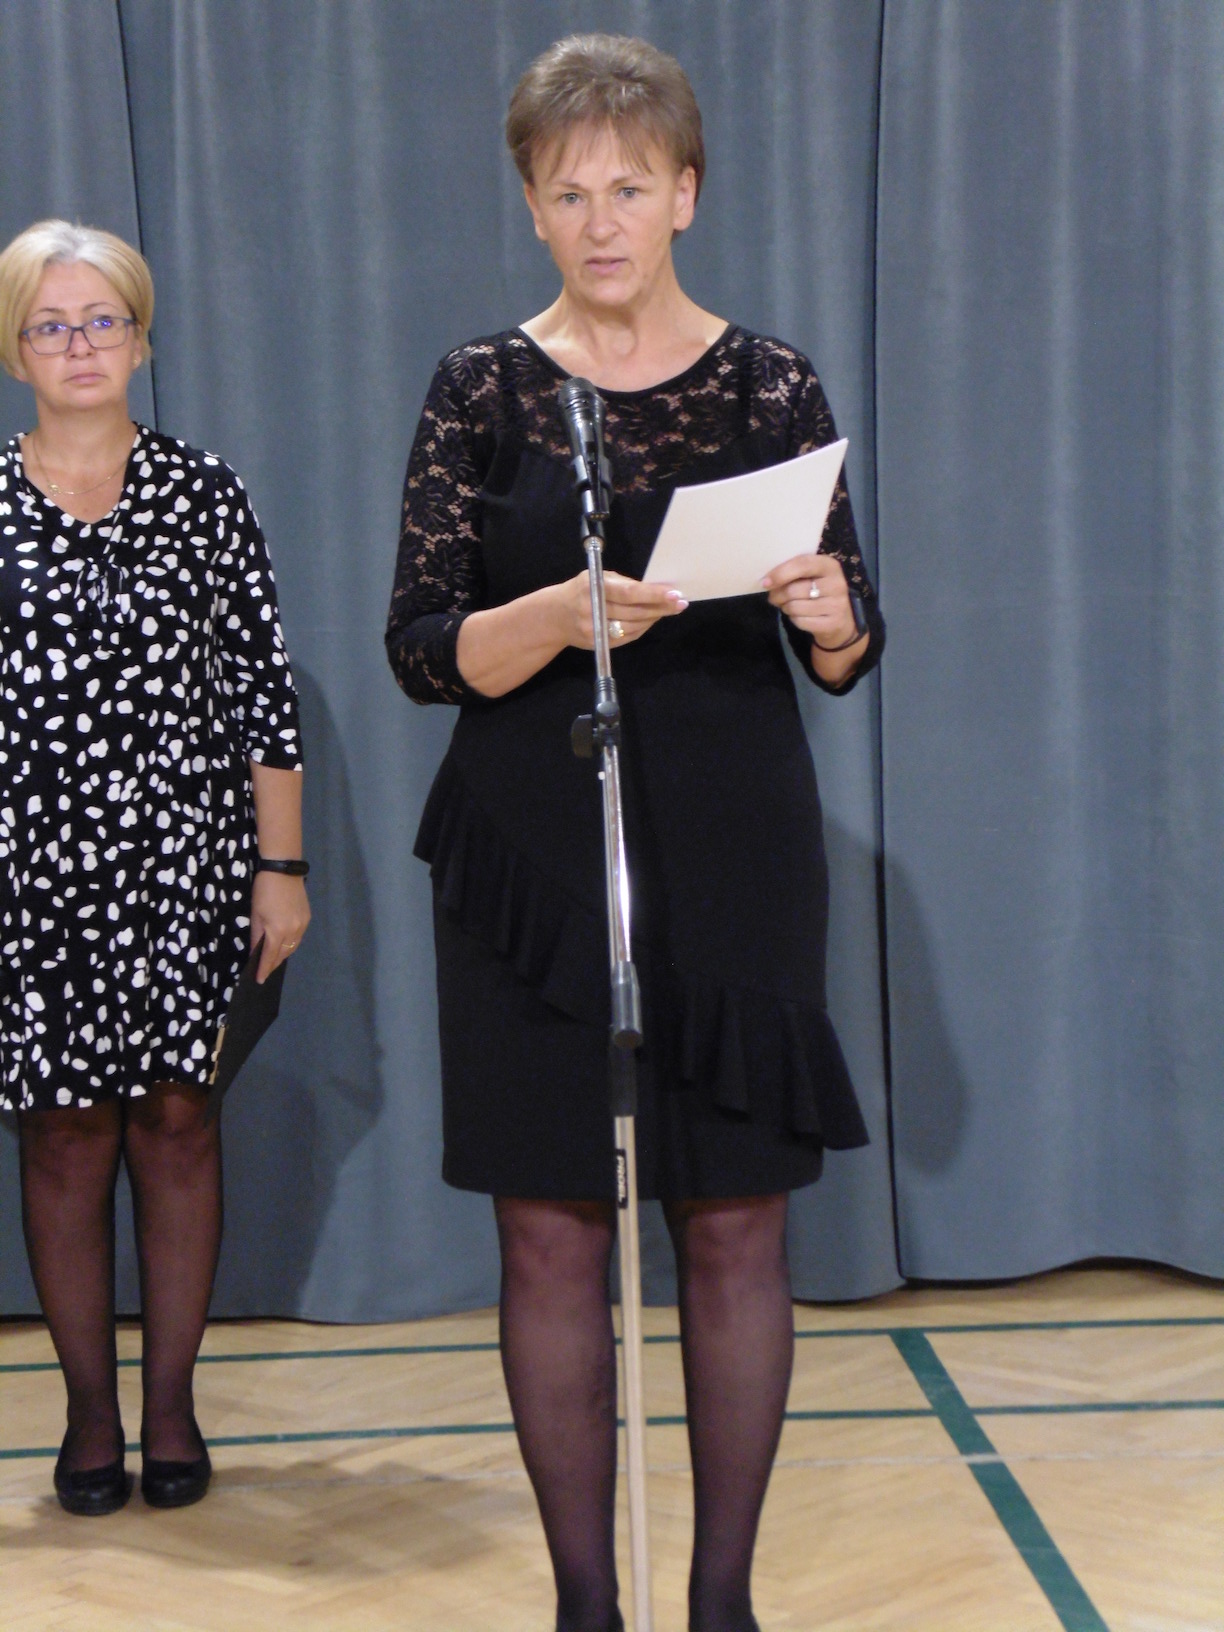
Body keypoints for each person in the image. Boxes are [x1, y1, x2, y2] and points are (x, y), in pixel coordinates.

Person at [386, 34, 883, 1632]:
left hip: (734, 847)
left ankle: (722, 1601)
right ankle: (585, 1607)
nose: (599, 221)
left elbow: (850, 639)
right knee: (549, 1234)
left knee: (736, 1224)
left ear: (685, 192)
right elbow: (421, 649)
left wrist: (832, 614)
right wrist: (551, 613)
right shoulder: (481, 388)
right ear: (532, 206)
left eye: (628, 187)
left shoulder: (770, 382)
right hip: (534, 856)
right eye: (567, 192)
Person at [0, 220, 309, 1515]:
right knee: (66, 1135)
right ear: (16, 348)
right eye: (51, 325)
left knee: (179, 1122)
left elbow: (263, 692)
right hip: (32, 880)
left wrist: (280, 865)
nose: (79, 345)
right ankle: (89, 1416)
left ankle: (172, 1406)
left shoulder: (204, 492)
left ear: (139, 337)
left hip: (188, 866)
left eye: (102, 321)